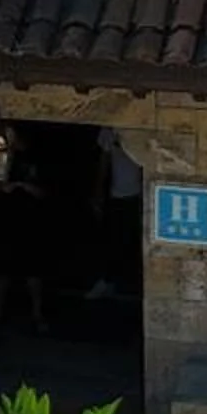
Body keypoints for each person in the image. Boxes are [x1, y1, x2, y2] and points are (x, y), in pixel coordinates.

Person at [0, 148, 48, 333]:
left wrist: (23, 186)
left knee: (33, 273)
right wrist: (2, 187)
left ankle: (37, 315)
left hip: (29, 226)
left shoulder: (31, 163)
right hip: (2, 225)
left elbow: (43, 193)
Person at [90, 127, 145, 298]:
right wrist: (98, 193)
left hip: (139, 194)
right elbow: (104, 162)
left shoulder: (140, 129)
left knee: (138, 241)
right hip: (117, 194)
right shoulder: (109, 130)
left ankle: (137, 285)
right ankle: (108, 281)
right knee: (114, 240)